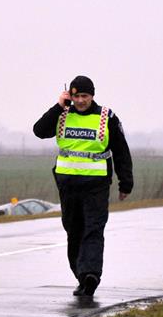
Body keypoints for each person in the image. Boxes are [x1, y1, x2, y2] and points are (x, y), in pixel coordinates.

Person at [33, 75, 133, 297]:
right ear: (71, 95)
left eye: (84, 96)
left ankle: (91, 275)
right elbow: (39, 131)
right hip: (68, 185)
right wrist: (58, 106)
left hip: (96, 184)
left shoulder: (107, 117)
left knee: (93, 229)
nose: (80, 101)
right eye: (76, 96)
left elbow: (121, 150)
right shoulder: (62, 114)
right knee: (74, 230)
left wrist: (125, 182)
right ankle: (81, 276)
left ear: (93, 95)